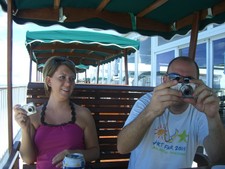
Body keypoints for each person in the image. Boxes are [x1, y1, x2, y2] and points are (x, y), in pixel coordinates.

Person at [117, 56, 225, 169]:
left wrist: (213, 117)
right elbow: (123, 147)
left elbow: (219, 158)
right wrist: (150, 111)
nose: (181, 84)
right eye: (175, 78)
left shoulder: (200, 108)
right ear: (164, 80)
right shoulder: (147, 102)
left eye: (188, 80)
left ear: (197, 85)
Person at [14, 56, 100, 169]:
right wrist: (25, 129)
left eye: (71, 79)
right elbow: (28, 159)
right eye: (62, 77)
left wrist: (74, 154)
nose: (68, 84)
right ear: (49, 81)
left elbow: (95, 152)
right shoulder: (35, 116)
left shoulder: (83, 114)